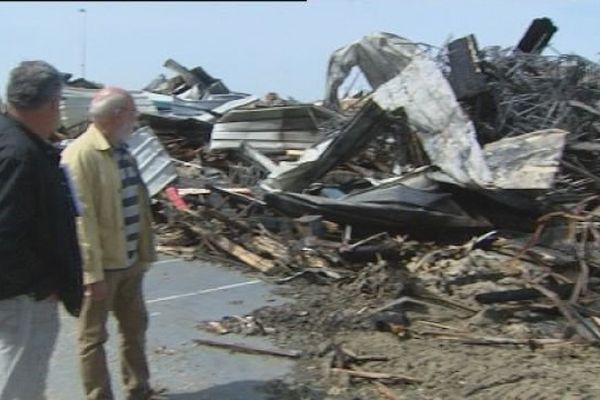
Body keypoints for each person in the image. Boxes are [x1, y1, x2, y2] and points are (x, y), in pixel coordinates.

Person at [62, 87, 163, 400]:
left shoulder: (121, 148)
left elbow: (140, 203)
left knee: (135, 329)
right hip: (103, 267)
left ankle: (138, 389)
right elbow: (82, 220)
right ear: (117, 115)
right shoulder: (80, 155)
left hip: (130, 260)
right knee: (92, 338)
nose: (135, 120)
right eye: (132, 113)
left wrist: (144, 253)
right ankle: (98, 396)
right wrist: (92, 276)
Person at [0, 60, 83, 399]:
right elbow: (4, 236)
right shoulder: (20, 155)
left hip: (18, 292)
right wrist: (39, 286)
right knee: (20, 385)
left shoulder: (16, 143)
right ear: (51, 104)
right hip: (24, 298)